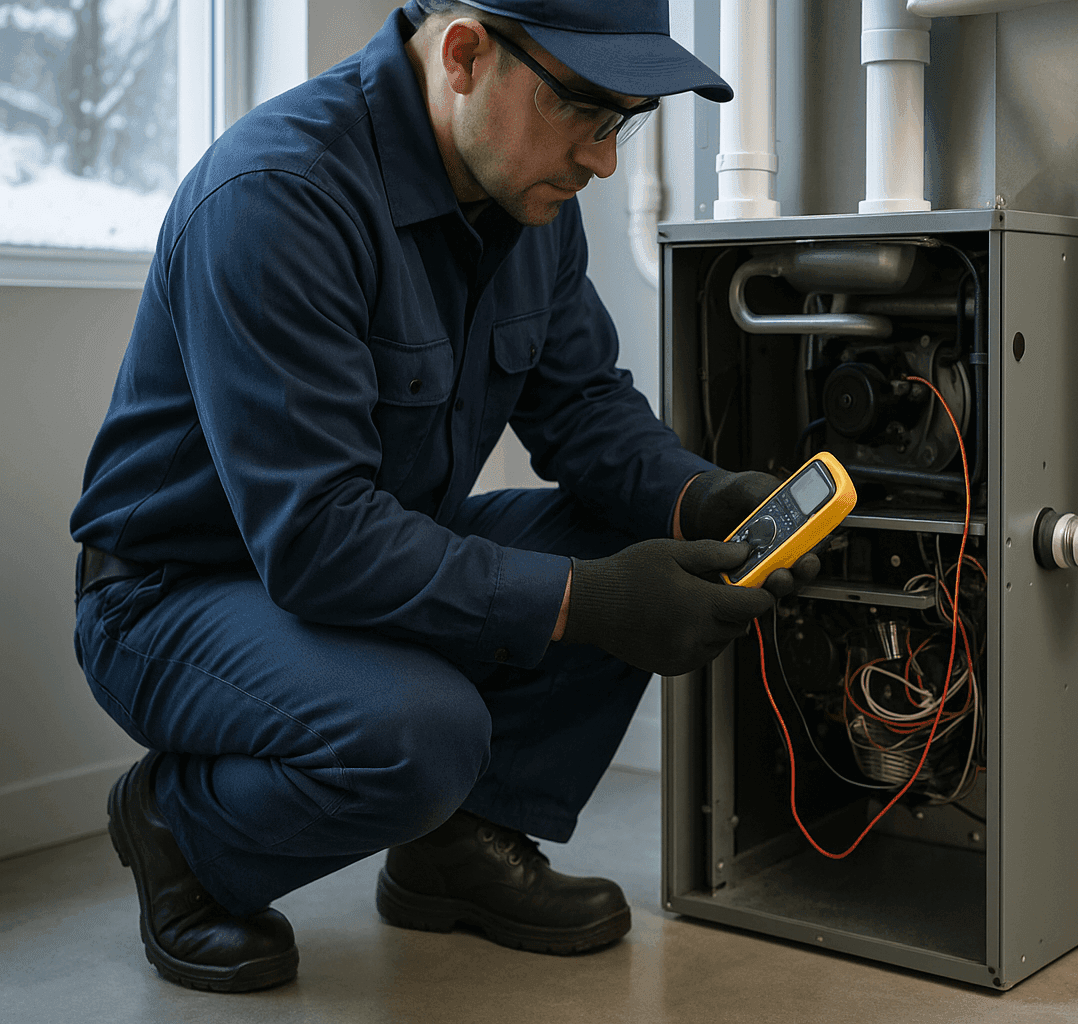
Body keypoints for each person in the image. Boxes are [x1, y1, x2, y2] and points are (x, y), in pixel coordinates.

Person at [70, 0, 814, 994]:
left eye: (624, 123)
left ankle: (457, 846)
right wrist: (586, 603)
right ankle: (180, 831)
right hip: (174, 595)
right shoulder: (278, 195)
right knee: (422, 731)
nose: (603, 161)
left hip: (354, 554)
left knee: (627, 530)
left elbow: (584, 407)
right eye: (586, 111)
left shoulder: (526, 196)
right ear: (464, 53)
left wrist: (702, 497)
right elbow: (319, 541)